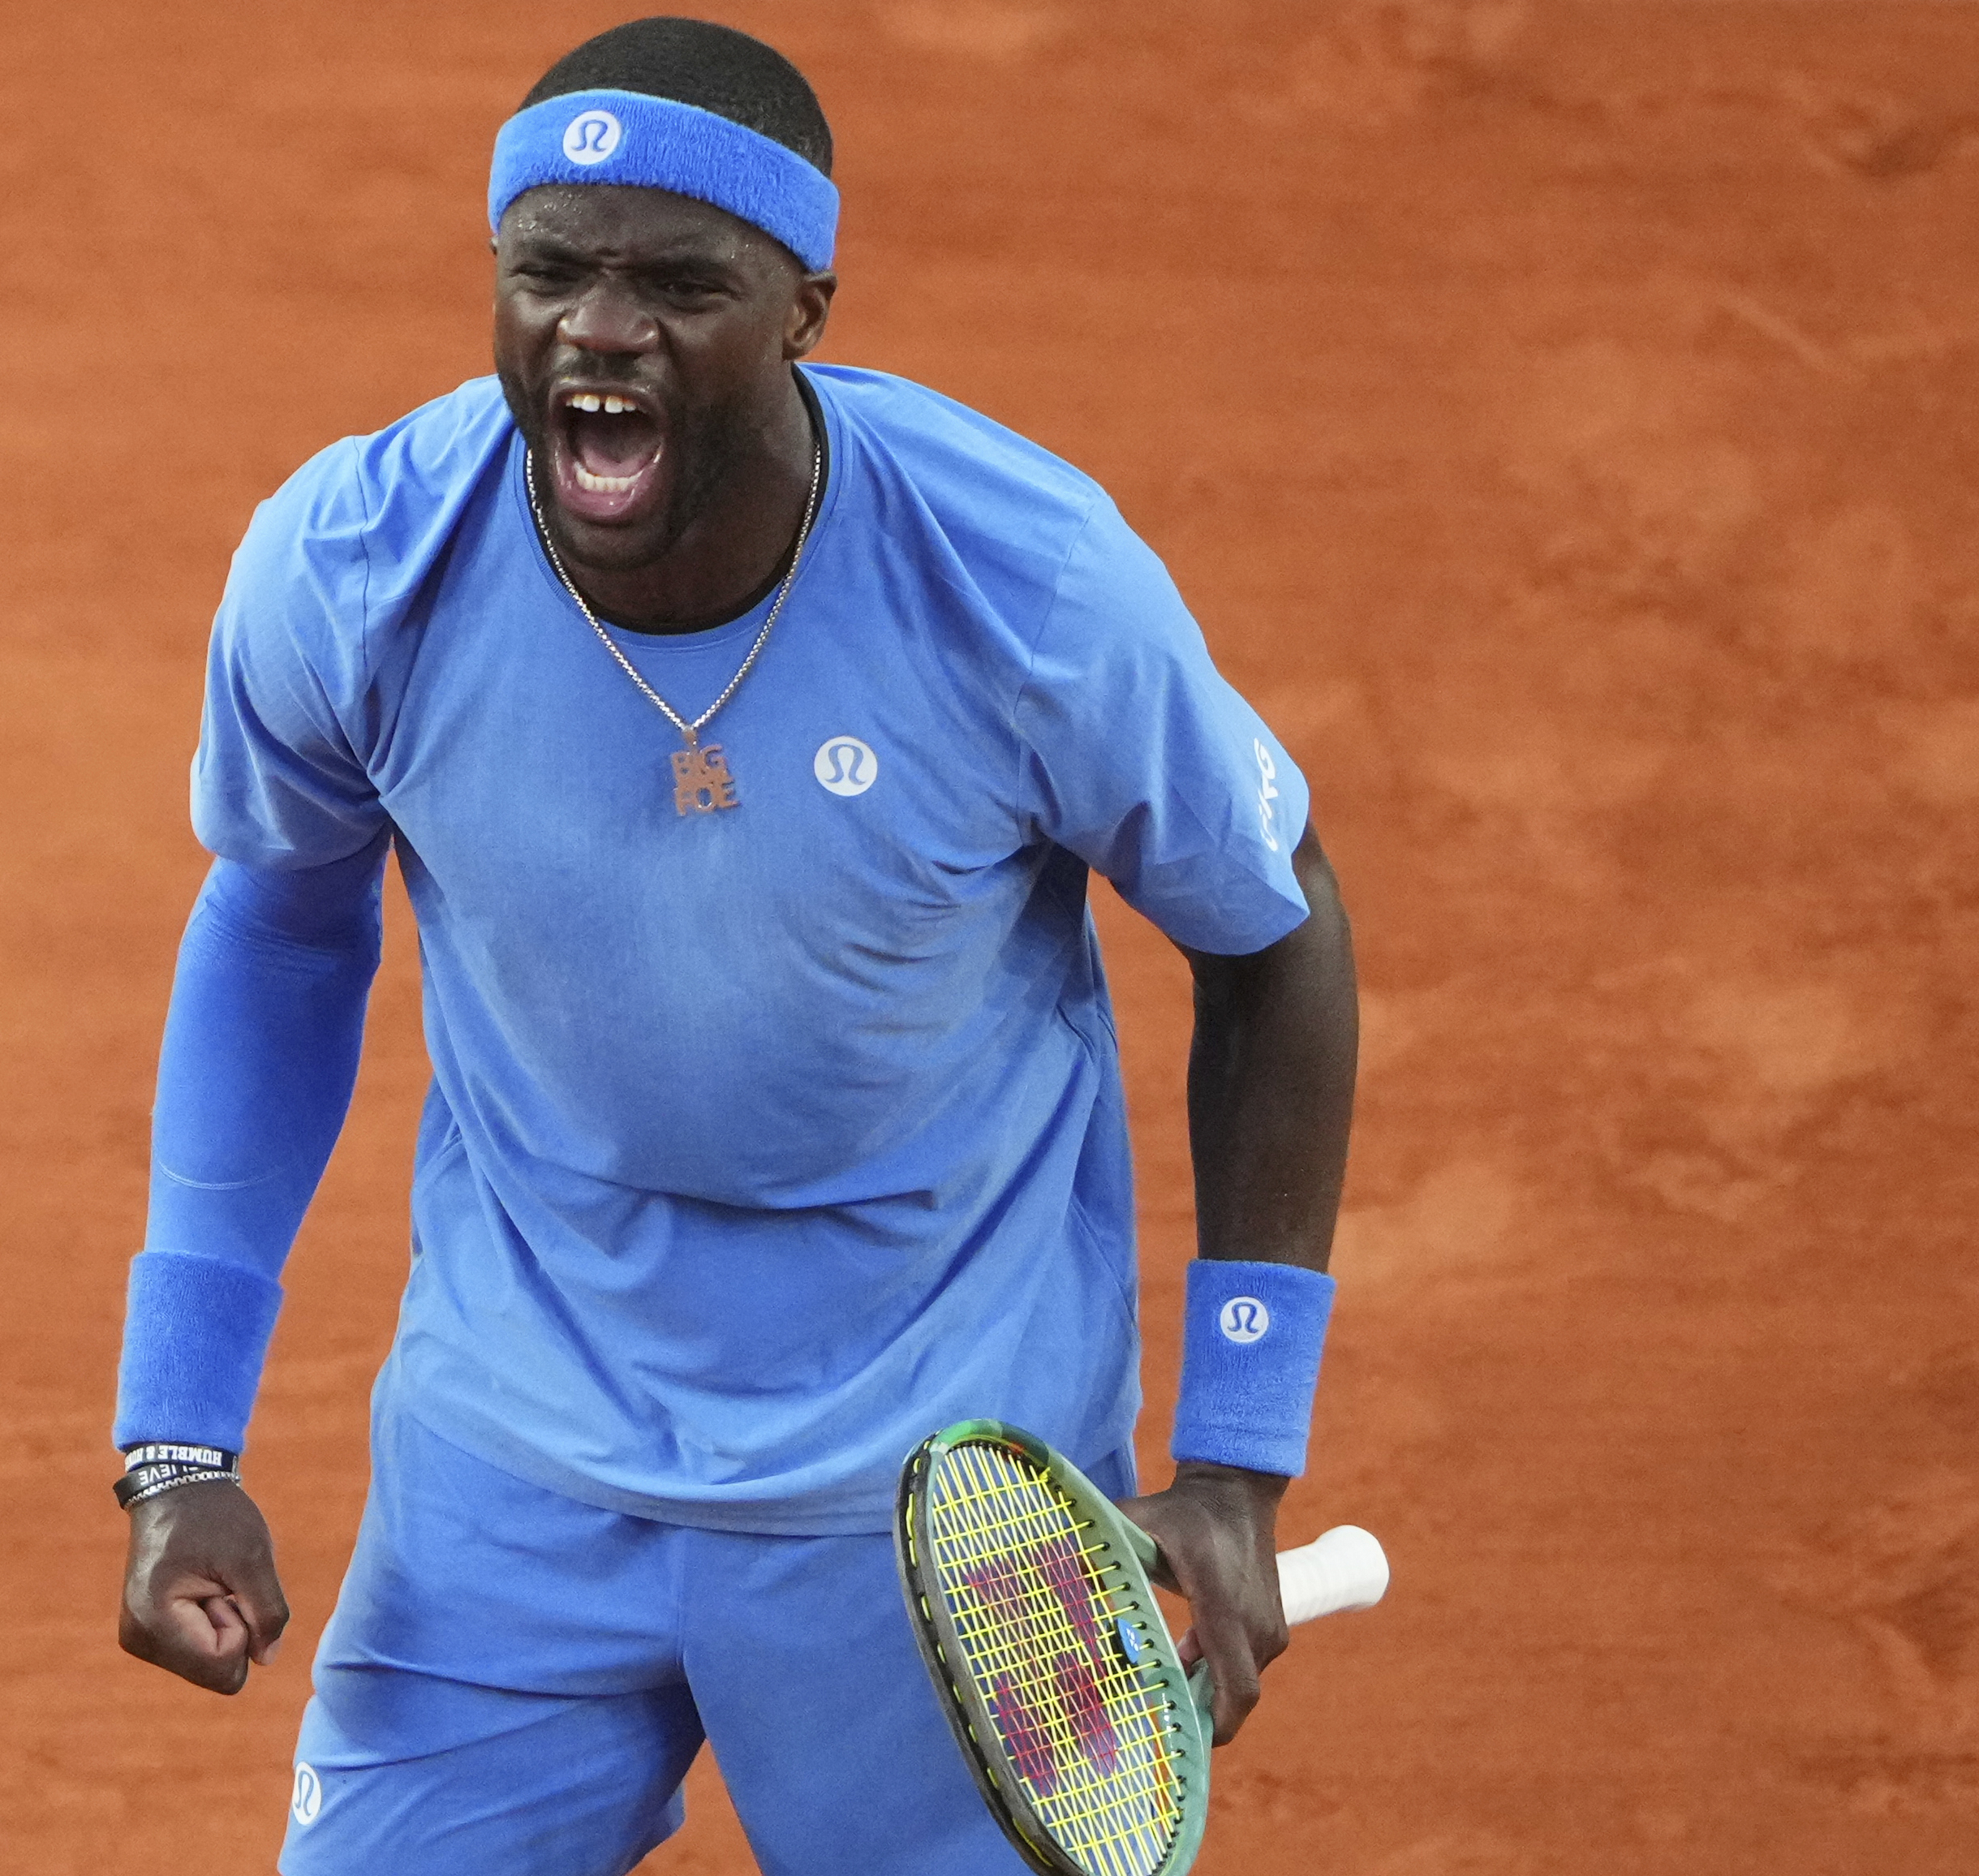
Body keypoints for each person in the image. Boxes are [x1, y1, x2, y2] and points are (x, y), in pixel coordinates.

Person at [110, 17, 1359, 1874]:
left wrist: (1242, 1448)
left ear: (804, 311)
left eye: (681, 286)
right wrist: (179, 1439)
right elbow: (279, 929)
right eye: (549, 272)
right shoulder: (357, 567)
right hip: (515, 1472)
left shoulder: (1027, 584)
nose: (599, 331)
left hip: (946, 1507)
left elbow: (1276, 928)